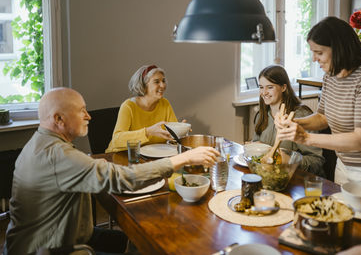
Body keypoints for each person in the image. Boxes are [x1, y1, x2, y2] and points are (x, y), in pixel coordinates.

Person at [4, 87, 218, 255]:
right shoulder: (58, 156)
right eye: (81, 111)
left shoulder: (39, 142)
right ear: (58, 119)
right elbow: (125, 178)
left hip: (51, 235)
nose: (88, 116)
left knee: (136, 241)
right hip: (49, 249)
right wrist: (183, 158)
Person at [275, 16, 361, 193]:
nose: (314, 59)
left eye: (319, 52)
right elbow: (323, 117)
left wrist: (307, 138)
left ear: (339, 49)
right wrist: (295, 123)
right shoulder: (330, 77)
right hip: (344, 166)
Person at [252, 65, 325, 177]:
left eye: (270, 87)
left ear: (283, 87)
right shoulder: (261, 116)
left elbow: (317, 161)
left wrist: (289, 160)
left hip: (299, 181)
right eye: (261, 87)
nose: (264, 92)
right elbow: (257, 148)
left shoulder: (301, 115)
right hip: (271, 177)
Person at [106, 64, 180, 153]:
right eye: (156, 82)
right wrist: (148, 132)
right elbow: (117, 140)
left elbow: (173, 139)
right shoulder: (128, 106)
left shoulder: (165, 104)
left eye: (163, 81)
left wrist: (179, 131)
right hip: (122, 156)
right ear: (144, 85)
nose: (163, 85)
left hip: (150, 158)